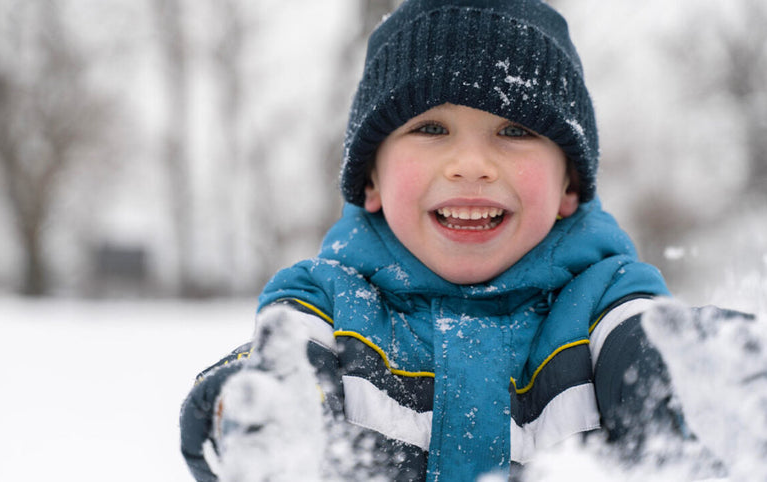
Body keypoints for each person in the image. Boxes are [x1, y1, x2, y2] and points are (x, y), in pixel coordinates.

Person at [180, 0, 737, 480]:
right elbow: (279, 371)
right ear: (370, 180)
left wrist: (717, 379)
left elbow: (662, 363)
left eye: (514, 131)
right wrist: (256, 414)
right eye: (430, 129)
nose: (471, 164)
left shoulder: (606, 303)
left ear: (570, 183)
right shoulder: (327, 303)